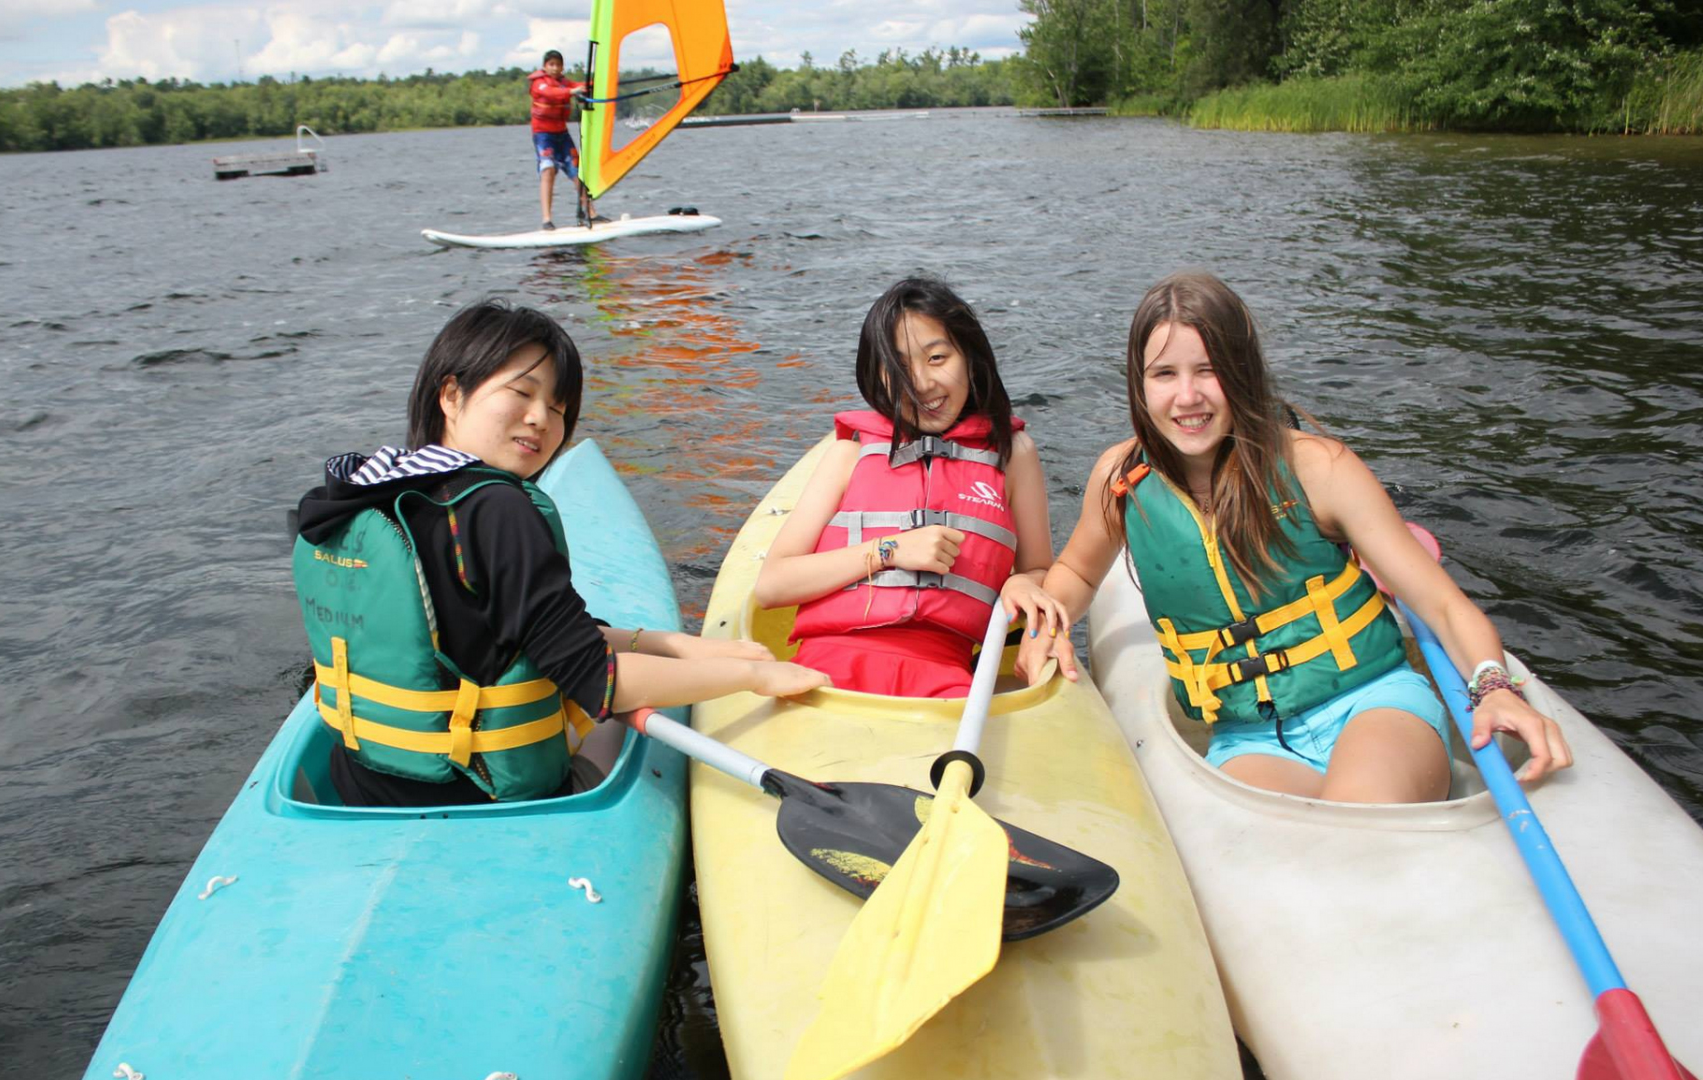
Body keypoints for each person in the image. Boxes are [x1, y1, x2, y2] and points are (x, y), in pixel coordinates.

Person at [1018, 271, 1572, 803]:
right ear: (1140, 385)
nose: (1186, 397)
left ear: (1241, 372)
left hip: (1371, 703)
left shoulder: (1318, 468)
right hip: (1250, 736)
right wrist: (1050, 619)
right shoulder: (1121, 481)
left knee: (1359, 814)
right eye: (1164, 374)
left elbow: (1444, 606)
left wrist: (1494, 687)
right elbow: (1079, 573)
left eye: (1207, 370)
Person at [292, 300, 828, 807]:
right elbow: (598, 683)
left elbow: (500, 633)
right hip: (481, 796)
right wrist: (755, 678)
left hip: (361, 784)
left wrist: (680, 646)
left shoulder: (368, 490)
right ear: (451, 394)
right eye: (522, 394)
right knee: (636, 726)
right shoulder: (497, 508)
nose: (541, 419)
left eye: (558, 407)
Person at [753, 277, 1068, 698]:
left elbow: (1038, 568)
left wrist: (1022, 582)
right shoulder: (848, 456)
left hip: (945, 677)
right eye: (899, 368)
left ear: (970, 359)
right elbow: (771, 586)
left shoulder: (1013, 455)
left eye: (937, 358)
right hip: (825, 673)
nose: (920, 383)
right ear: (875, 376)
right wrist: (889, 551)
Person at [528, 49, 606, 230]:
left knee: (577, 172)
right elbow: (551, 93)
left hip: (562, 135)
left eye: (558, 65)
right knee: (548, 172)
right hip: (543, 136)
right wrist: (573, 91)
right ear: (544, 66)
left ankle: (590, 212)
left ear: (562, 67)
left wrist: (600, 82)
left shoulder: (565, 82)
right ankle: (547, 219)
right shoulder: (538, 84)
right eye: (551, 64)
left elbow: (581, 85)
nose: (555, 68)